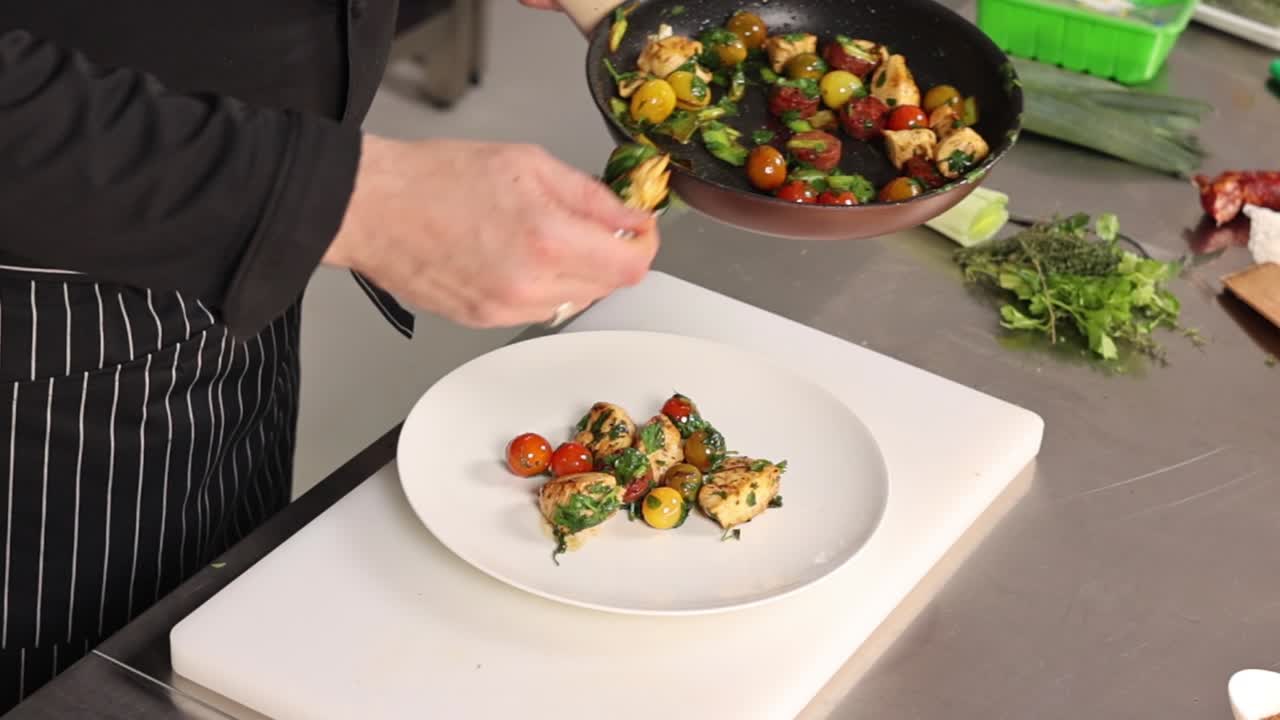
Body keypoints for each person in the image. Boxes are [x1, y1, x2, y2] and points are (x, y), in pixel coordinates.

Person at [0, 0, 659, 709]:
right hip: (42, 323)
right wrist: (357, 201)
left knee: (212, 632)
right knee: (78, 684)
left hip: (239, 239)